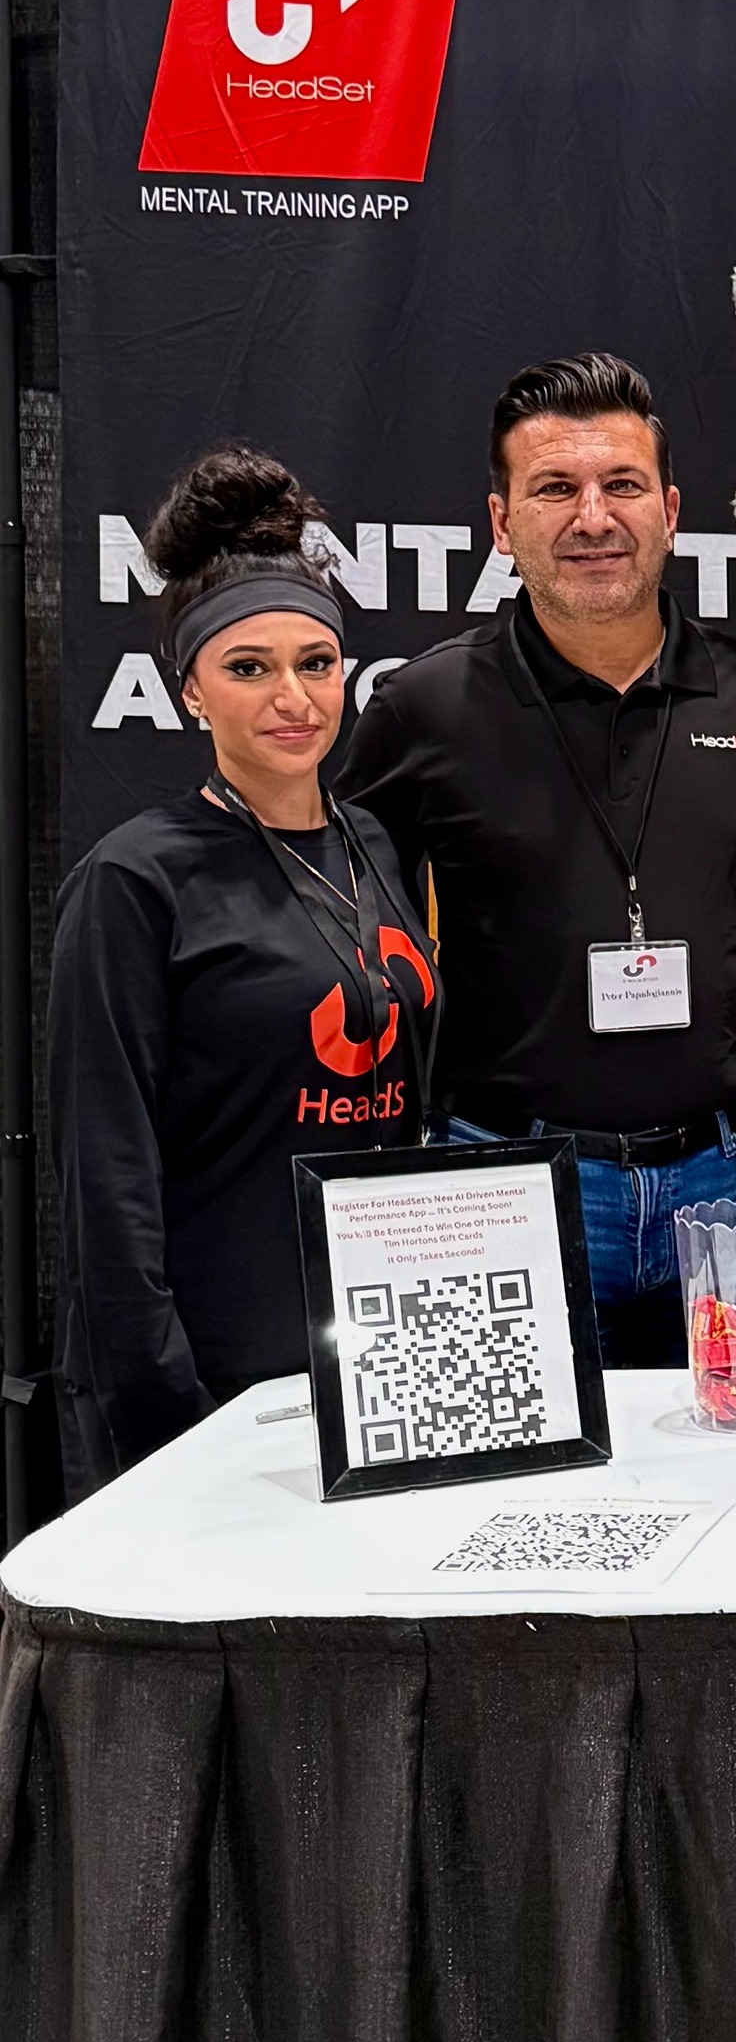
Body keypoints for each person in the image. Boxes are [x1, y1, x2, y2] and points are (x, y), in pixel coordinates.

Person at [342, 354, 736, 1364]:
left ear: (671, 509)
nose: (592, 517)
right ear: (502, 524)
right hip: (512, 1175)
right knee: (516, 1493)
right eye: (554, 488)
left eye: (622, 485)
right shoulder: (420, 711)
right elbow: (345, 936)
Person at [48, 450, 438, 1499]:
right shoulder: (136, 877)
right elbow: (105, 1172)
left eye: (315, 662)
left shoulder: (375, 847)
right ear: (189, 690)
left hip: (377, 1357)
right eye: (249, 667)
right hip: (220, 1378)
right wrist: (157, 1399)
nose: (293, 698)